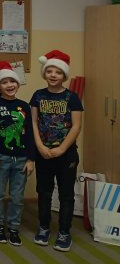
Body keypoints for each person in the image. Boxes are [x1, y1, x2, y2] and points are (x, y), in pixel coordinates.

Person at [30, 50, 83, 252]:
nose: (53, 75)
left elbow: (76, 126)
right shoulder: (38, 95)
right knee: (44, 192)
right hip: (43, 153)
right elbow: (33, 122)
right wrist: (40, 146)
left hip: (66, 154)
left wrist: (61, 148)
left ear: (64, 75)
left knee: (66, 194)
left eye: (58, 72)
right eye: (49, 71)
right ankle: (44, 227)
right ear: (44, 73)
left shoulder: (72, 97)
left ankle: (64, 232)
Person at [0, 62, 35, 247]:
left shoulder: (24, 106)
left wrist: (31, 159)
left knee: (17, 197)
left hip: (21, 159)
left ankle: (14, 227)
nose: (9, 85)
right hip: (1, 157)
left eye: (12, 81)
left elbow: (29, 133)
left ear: (17, 84)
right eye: (4, 82)